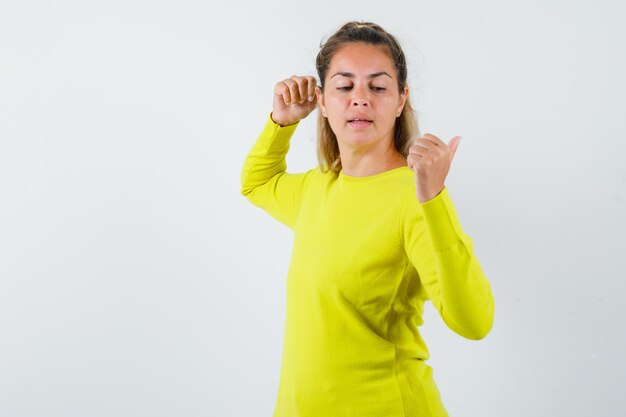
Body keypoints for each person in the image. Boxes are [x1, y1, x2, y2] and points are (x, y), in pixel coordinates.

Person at [240, 21, 494, 417]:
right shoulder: (315, 190)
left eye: (377, 87)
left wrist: (435, 199)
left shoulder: (414, 197)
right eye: (344, 87)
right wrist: (281, 124)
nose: (360, 99)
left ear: (400, 100)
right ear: (322, 100)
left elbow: (474, 322)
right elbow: (256, 183)